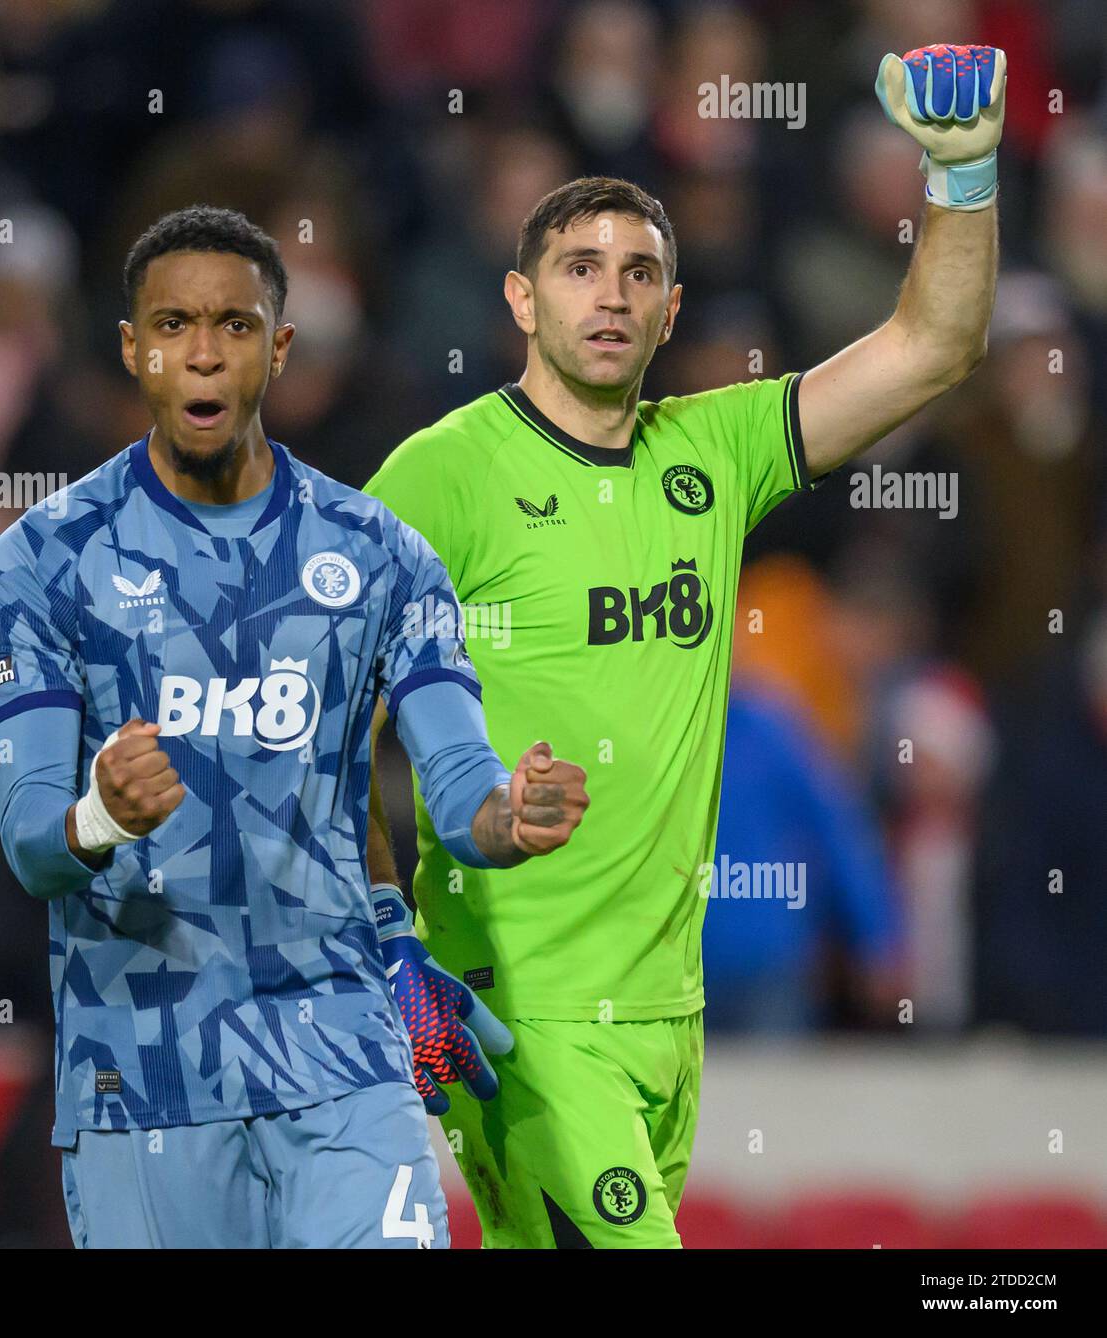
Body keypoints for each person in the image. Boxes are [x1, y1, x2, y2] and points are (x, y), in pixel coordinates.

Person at [363, 44, 1005, 1247]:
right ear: (520, 299)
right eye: (577, 268)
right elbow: (329, 720)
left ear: (670, 307)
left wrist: (958, 178)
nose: (609, 294)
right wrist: (384, 932)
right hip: (518, 1010)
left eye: (638, 273)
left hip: (670, 1007)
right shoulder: (438, 478)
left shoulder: (713, 451)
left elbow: (932, 348)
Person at [0, 205, 589, 1248]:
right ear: (132, 348)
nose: (203, 354)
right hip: (143, 1077)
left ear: (282, 345)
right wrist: (101, 817)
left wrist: (507, 815)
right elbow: (34, 842)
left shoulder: (380, 553)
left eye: (235, 325)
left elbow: (454, 773)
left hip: (343, 1057)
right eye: (171, 326)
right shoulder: (41, 563)